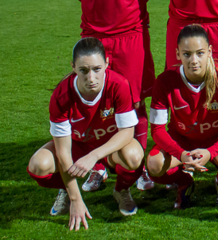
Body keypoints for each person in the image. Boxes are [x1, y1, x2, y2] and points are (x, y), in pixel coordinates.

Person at [61, 0, 161, 192]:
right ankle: (99, 166)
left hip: (131, 36)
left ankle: (138, 165)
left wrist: (127, 10)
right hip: (94, 39)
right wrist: (98, 8)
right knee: (95, 101)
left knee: (134, 102)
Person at [27, 38, 144, 230]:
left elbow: (127, 132)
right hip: (77, 146)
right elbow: (63, 152)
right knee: (39, 165)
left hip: (109, 147)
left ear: (107, 63)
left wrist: (95, 156)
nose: (91, 78)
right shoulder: (61, 95)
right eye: (84, 70)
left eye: (97, 69)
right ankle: (67, 189)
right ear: (73, 67)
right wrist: (76, 199)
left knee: (134, 156)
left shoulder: (118, 84)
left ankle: (121, 190)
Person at [147, 24, 218, 209]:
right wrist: (181, 155)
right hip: (182, 141)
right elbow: (157, 130)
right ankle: (184, 181)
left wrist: (211, 152)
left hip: (216, 139)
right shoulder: (165, 81)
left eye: (200, 53)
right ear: (177, 54)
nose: (194, 60)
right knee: (154, 165)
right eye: (187, 54)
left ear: (209, 51)